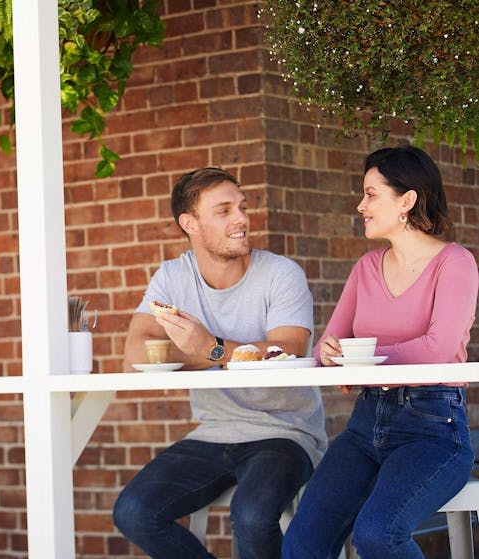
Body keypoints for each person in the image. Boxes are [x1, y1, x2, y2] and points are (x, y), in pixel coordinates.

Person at [112, 167, 327, 559]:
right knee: (133, 511)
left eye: (242, 207)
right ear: (189, 223)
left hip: (285, 434)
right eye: (224, 211)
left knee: (252, 514)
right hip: (213, 433)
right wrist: (215, 351)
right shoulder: (173, 277)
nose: (242, 219)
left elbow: (290, 348)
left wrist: (211, 348)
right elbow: (136, 354)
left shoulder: (281, 274)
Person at [282, 145, 479, 559]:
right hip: (364, 426)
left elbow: (438, 350)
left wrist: (361, 361)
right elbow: (327, 347)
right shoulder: (366, 268)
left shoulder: (455, 263)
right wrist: (333, 352)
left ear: (407, 200)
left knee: (377, 534)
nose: (361, 205)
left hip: (433, 429)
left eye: (371, 194)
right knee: (302, 541)